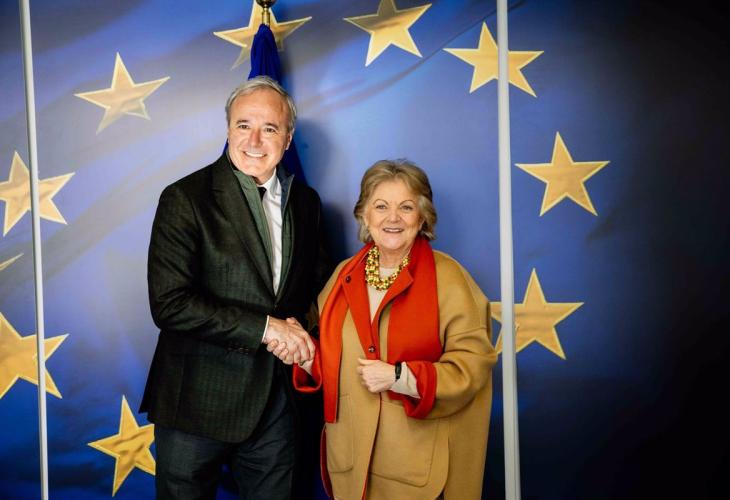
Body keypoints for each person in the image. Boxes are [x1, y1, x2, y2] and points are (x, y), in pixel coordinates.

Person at [140, 75, 329, 499]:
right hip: (195, 400)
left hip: (276, 404)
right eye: (244, 125)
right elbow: (170, 303)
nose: (254, 141)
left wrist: (303, 336)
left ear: (288, 137)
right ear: (228, 128)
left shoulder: (307, 203)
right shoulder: (184, 197)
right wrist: (268, 328)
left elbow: (317, 291)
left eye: (270, 128)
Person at [269, 159, 497, 499]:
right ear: (365, 215)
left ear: (422, 217)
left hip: (416, 468)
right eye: (381, 206)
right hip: (351, 465)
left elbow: (473, 366)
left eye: (406, 207)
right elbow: (335, 362)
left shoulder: (448, 278)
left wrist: (399, 377)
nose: (393, 218)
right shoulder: (343, 275)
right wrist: (304, 357)